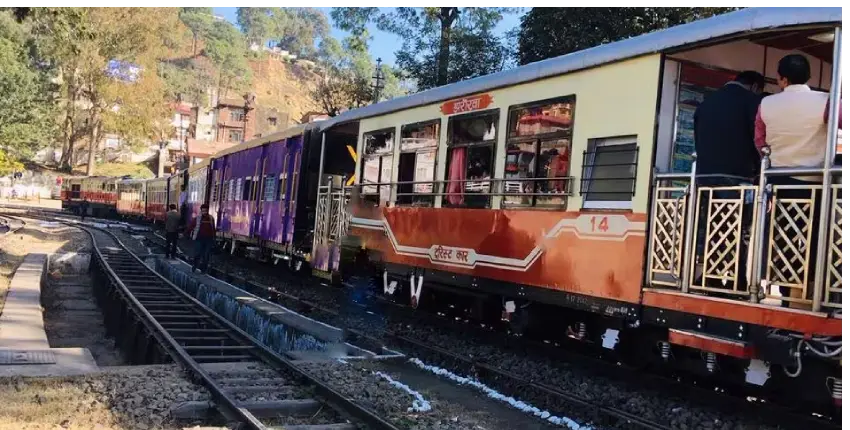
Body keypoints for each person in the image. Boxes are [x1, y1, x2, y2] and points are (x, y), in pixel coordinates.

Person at [754, 54, 841, 308]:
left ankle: (786, 290)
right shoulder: (827, 101)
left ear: (782, 79)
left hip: (779, 181)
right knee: (815, 235)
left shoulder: (766, 104)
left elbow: (760, 142)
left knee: (782, 237)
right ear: (809, 78)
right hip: (817, 181)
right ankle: (811, 289)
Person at [692, 71, 765, 289]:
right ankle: (737, 279)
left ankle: (708, 275)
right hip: (738, 177)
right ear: (754, 86)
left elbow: (698, 140)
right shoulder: (753, 102)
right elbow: (757, 140)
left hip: (705, 178)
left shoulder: (707, 103)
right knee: (738, 228)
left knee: (710, 227)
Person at [188, 203, 216, 274]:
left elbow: (213, 229)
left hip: (208, 240)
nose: (204, 212)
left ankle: (203, 270)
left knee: (206, 255)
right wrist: (185, 234)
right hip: (199, 239)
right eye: (203, 211)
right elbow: (191, 227)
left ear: (207, 211)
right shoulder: (197, 219)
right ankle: (195, 266)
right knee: (198, 254)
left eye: (205, 211)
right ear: (201, 211)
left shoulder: (211, 218)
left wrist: (214, 239)